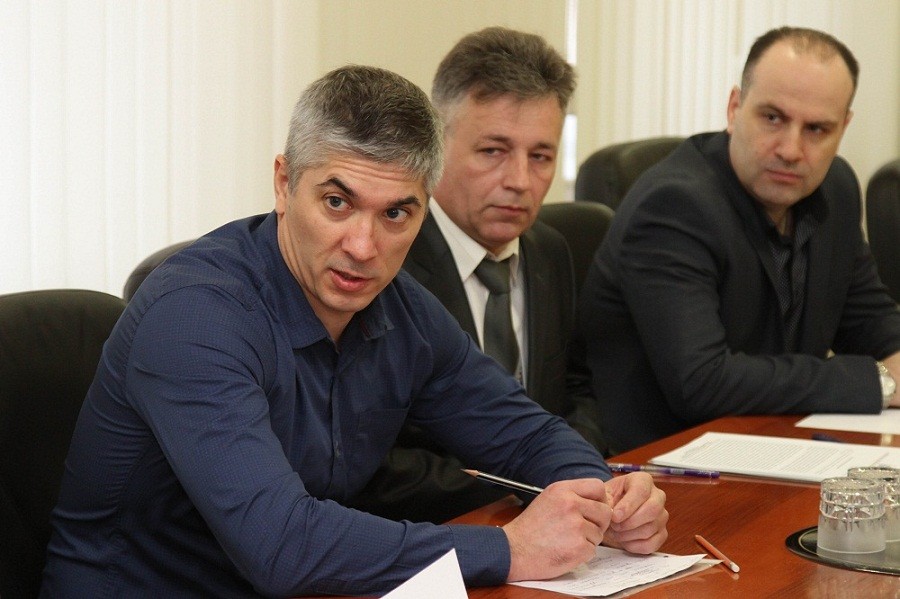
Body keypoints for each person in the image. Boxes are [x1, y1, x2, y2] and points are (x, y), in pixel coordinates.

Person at [41, 65, 667, 597]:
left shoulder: (401, 308)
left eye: (396, 213)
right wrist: (509, 548)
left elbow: (523, 433)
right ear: (284, 184)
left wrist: (601, 497)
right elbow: (281, 545)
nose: (363, 247)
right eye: (337, 203)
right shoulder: (194, 316)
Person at [580, 26, 900, 455]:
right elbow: (702, 381)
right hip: (661, 463)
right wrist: (879, 382)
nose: (791, 149)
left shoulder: (835, 187)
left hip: (774, 443)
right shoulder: (674, 206)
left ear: (843, 129)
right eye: (773, 118)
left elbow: (870, 321)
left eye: (817, 129)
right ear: (734, 109)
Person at [349, 26, 604, 524]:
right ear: (435, 146)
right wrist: (527, 488)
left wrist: (579, 474)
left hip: (556, 517)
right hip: (435, 529)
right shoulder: (378, 262)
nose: (520, 181)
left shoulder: (551, 250)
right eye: (493, 151)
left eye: (541, 156)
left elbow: (576, 391)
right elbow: (370, 461)